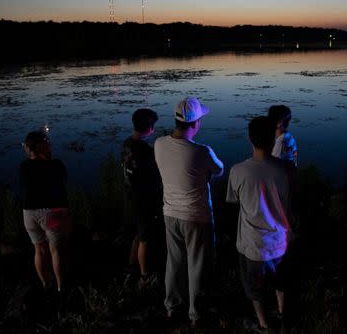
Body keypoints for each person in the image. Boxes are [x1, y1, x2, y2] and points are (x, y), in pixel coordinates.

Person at [154, 97, 224, 326]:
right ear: (194, 124)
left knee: (174, 262)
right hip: (196, 218)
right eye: (200, 120)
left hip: (170, 214)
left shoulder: (159, 144)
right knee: (197, 265)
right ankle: (196, 315)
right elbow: (219, 170)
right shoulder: (202, 151)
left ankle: (172, 308)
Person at [226, 116, 293, 330]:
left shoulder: (238, 171)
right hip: (280, 241)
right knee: (281, 282)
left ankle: (263, 323)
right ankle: (282, 314)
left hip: (252, 245)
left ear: (249, 139)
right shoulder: (287, 169)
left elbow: (232, 200)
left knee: (255, 289)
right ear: (273, 139)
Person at [19, 130, 70, 293]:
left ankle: (45, 284)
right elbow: (62, 184)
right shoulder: (56, 164)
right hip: (51, 212)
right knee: (56, 250)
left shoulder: (24, 167)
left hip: (29, 213)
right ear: (42, 146)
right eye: (47, 143)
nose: (50, 146)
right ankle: (61, 286)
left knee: (39, 250)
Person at [122, 108, 162, 285]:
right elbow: (155, 173)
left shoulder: (127, 144)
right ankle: (144, 276)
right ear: (149, 127)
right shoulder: (145, 150)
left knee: (138, 233)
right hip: (144, 198)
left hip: (131, 196)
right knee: (145, 237)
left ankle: (131, 267)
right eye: (153, 126)